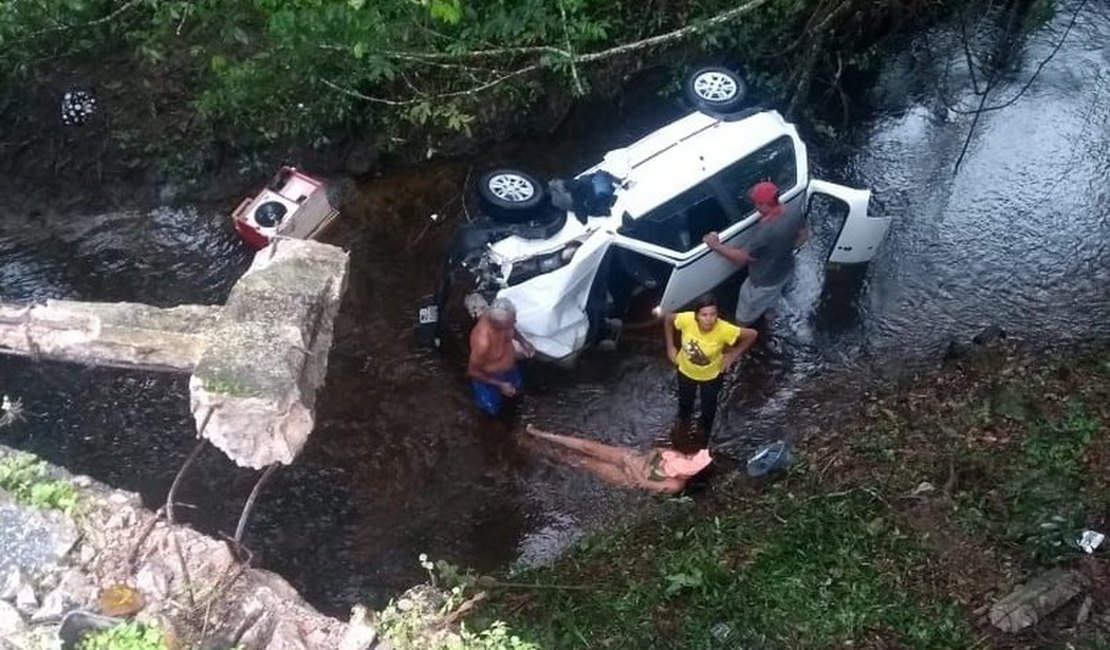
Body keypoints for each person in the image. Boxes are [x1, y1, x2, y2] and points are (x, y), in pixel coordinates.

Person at [702, 181, 809, 326]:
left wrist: (715, 245)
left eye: (756, 203)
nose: (755, 206)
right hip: (785, 269)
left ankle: (742, 328)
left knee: (746, 308)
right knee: (773, 294)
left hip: (762, 281)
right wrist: (781, 249)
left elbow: (741, 259)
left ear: (765, 205)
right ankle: (769, 314)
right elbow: (803, 236)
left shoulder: (765, 232)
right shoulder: (793, 210)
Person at [664, 294, 758, 436]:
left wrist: (733, 355)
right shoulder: (686, 319)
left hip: (711, 376)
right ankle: (683, 424)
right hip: (685, 371)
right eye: (704, 315)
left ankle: (704, 432)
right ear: (696, 316)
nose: (709, 319)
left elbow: (752, 334)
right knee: (685, 403)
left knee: (708, 408)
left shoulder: (724, 329)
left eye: (713, 314)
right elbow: (668, 320)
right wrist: (670, 347)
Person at [525, 424, 713, 494]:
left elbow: (644, 484)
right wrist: (641, 460)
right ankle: (542, 434)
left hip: (628, 477)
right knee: (589, 447)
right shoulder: (678, 456)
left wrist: (632, 466)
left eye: (693, 460)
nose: (689, 456)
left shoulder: (675, 486)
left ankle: (539, 449)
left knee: (581, 461)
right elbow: (655, 451)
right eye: (692, 455)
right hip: (633, 459)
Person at [467, 297, 535, 416]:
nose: (514, 323)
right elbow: (472, 371)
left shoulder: (504, 322)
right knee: (491, 410)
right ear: (497, 326)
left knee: (518, 393)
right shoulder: (482, 342)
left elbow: (512, 327)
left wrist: (523, 341)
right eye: (510, 323)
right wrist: (500, 384)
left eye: (513, 321)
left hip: (509, 368)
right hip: (488, 376)